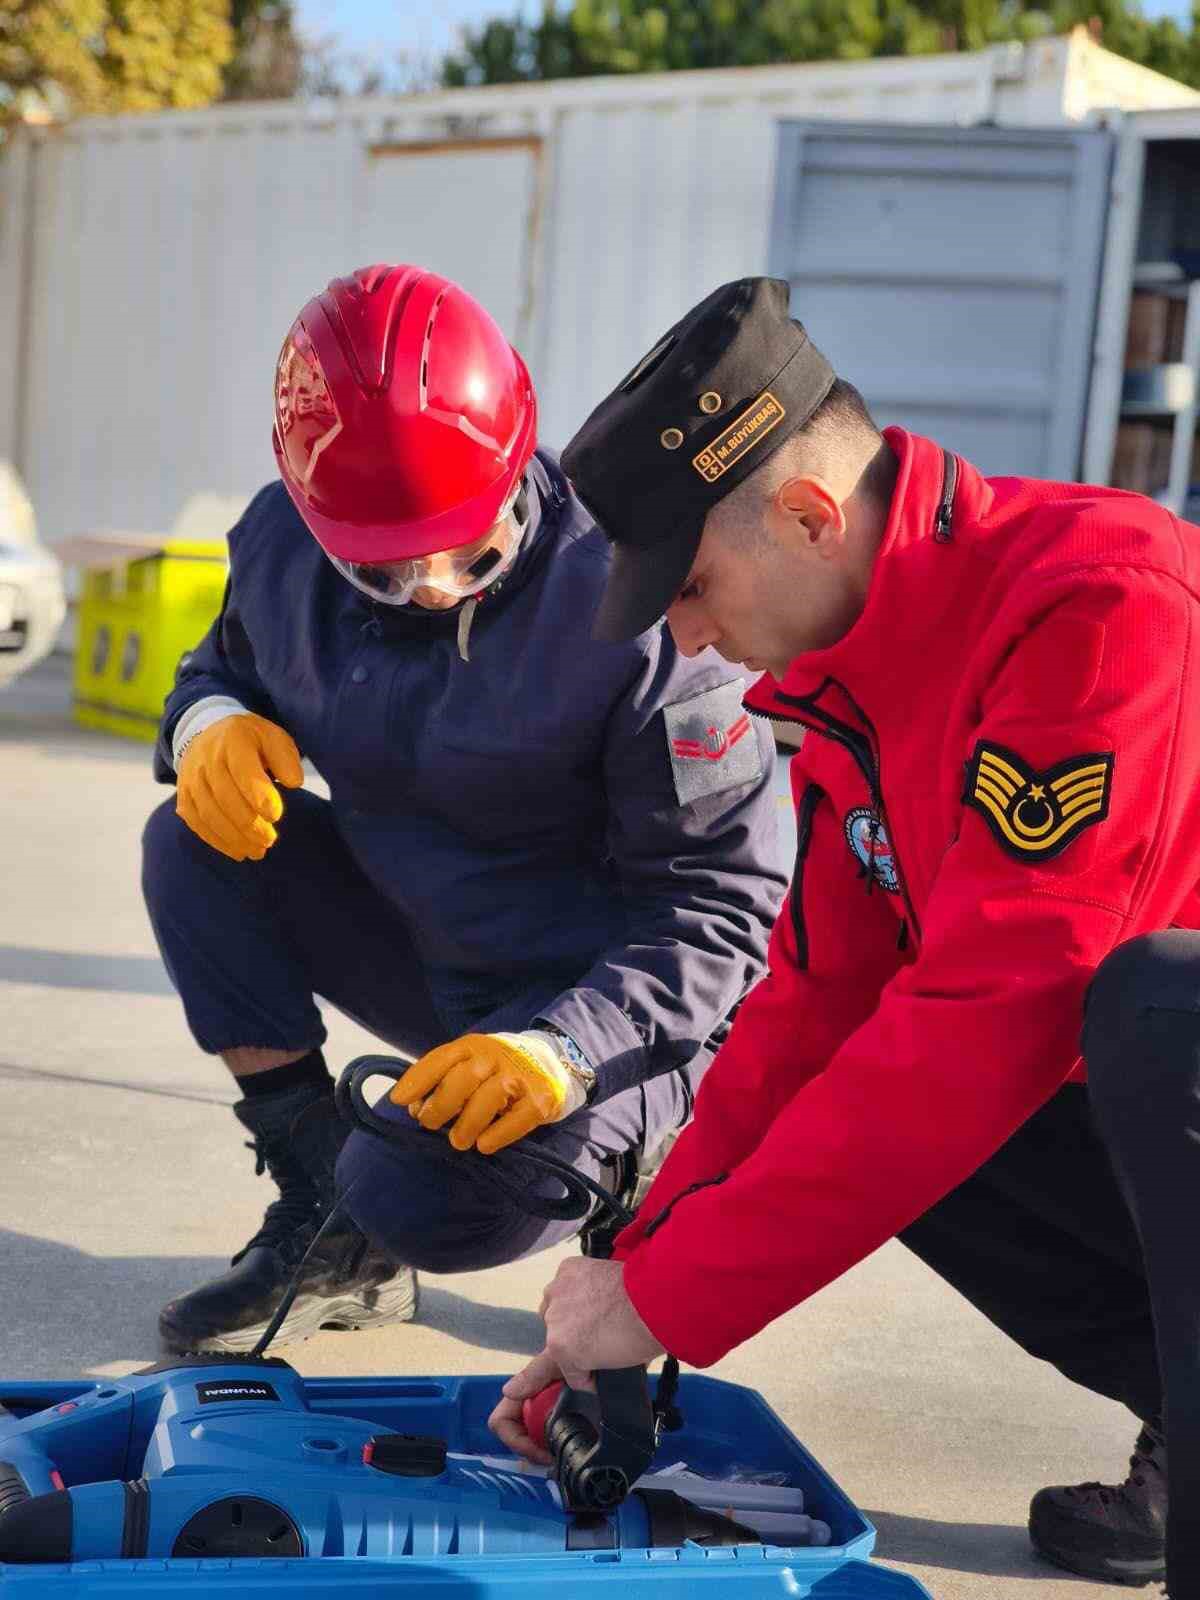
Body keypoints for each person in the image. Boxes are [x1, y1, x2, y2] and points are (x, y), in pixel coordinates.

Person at [492, 276, 1200, 1597]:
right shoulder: (848, 687)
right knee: (887, 1108)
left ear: (810, 514)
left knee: (1139, 1011)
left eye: (689, 586)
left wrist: (670, 1297)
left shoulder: (1101, 610)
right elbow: (810, 1015)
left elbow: (1001, 1010)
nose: (688, 637)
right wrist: (629, 1300)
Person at [141, 264, 786, 1358]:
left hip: (610, 1001)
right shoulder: (282, 551)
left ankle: (650, 1147)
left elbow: (722, 906)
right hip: (434, 948)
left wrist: (567, 1047)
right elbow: (222, 671)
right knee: (192, 845)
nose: (436, 588)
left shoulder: (640, 592)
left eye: (472, 552)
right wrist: (206, 720)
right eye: (387, 574)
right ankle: (332, 1218)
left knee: (431, 1197)